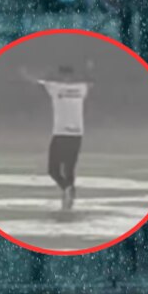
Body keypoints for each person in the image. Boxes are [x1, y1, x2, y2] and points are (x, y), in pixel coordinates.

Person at [19, 63, 94, 211]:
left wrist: (24, 73)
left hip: (61, 133)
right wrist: (88, 68)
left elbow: (35, 81)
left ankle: (66, 191)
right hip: (77, 134)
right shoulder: (81, 88)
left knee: (53, 170)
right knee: (69, 169)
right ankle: (68, 196)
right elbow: (91, 83)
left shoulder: (55, 87)